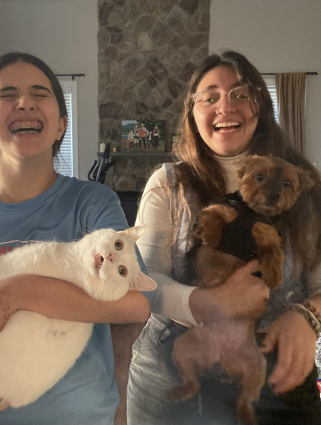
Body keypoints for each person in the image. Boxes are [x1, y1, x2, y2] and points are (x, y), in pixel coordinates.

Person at [0, 52, 151, 425]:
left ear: (61, 125)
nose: (24, 102)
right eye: (7, 94)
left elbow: (135, 305)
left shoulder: (91, 203)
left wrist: (15, 292)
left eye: (39, 94)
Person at [127, 50, 321, 425]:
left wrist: (306, 317)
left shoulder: (306, 187)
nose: (224, 106)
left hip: (273, 375)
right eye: (210, 97)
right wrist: (208, 301)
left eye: (239, 93)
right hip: (174, 367)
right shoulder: (168, 185)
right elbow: (144, 283)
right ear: (193, 113)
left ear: (260, 106)